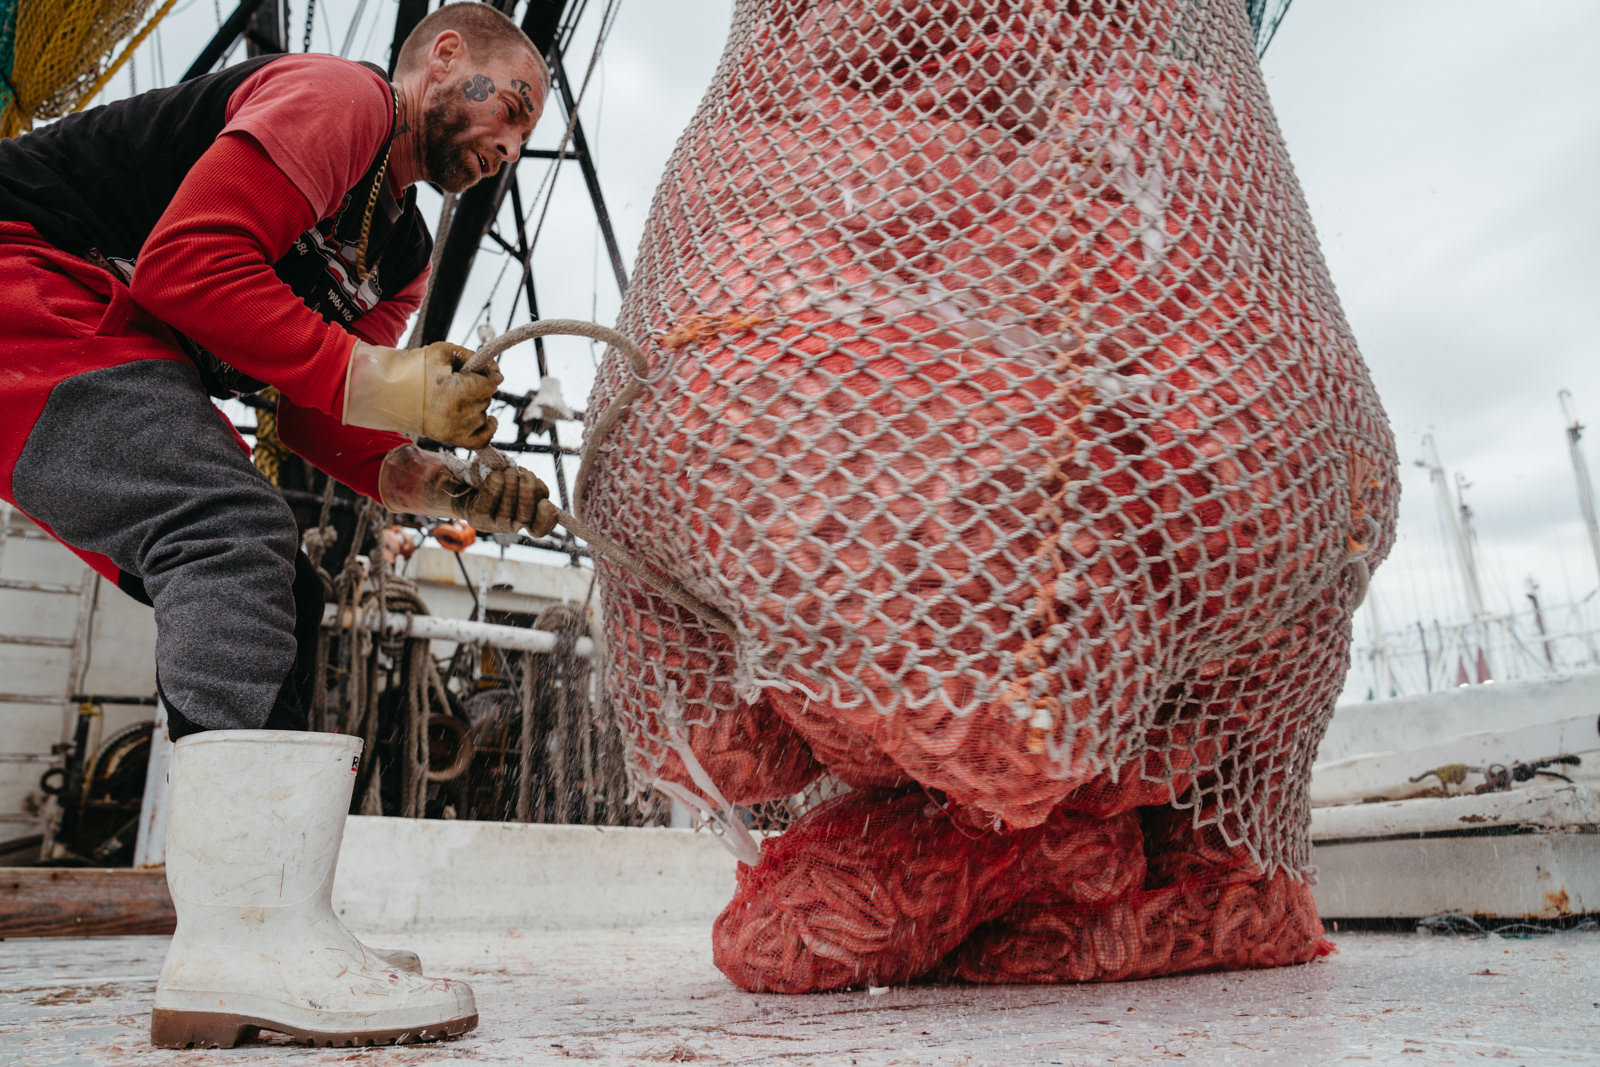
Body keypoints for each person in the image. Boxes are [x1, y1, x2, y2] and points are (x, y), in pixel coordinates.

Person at [0, 3, 559, 1048]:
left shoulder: (400, 254)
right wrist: (386, 378)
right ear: (442, 57)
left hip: (103, 323)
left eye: (524, 137)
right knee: (229, 532)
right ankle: (239, 940)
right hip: (26, 275)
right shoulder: (341, 99)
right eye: (510, 109)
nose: (509, 148)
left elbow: (314, 412)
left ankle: (281, 920)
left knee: (282, 581)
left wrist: (447, 486)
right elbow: (188, 269)